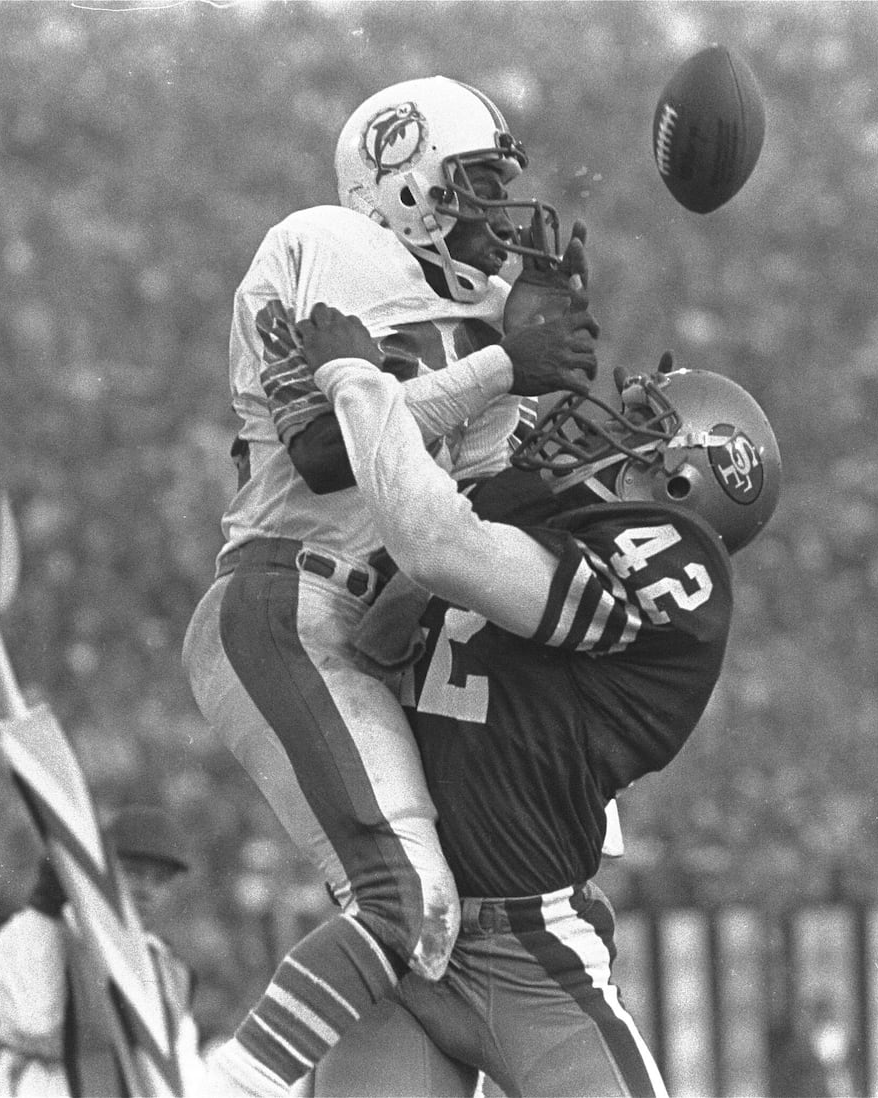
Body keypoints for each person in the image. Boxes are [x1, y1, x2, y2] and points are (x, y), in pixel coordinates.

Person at [181, 75, 598, 1092]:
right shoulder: (326, 241)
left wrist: (569, 411)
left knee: (450, 920)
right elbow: (329, 447)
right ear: (402, 181)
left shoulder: (473, 304)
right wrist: (501, 364)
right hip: (291, 598)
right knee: (405, 900)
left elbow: (471, 513)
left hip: (379, 630)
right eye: (477, 182)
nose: (499, 210)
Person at [268, 302, 781, 1097]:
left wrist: (357, 379)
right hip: (404, 929)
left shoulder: (685, 565)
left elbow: (437, 544)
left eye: (643, 425)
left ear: (685, 479)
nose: (608, 425)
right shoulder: (543, 506)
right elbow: (380, 630)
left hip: (532, 956)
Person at [0, 805, 199, 1097]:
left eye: (161, 880)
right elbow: (31, 1025)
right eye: (133, 873)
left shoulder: (170, 972)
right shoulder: (42, 933)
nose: (147, 890)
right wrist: (44, 910)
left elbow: (185, 1074)